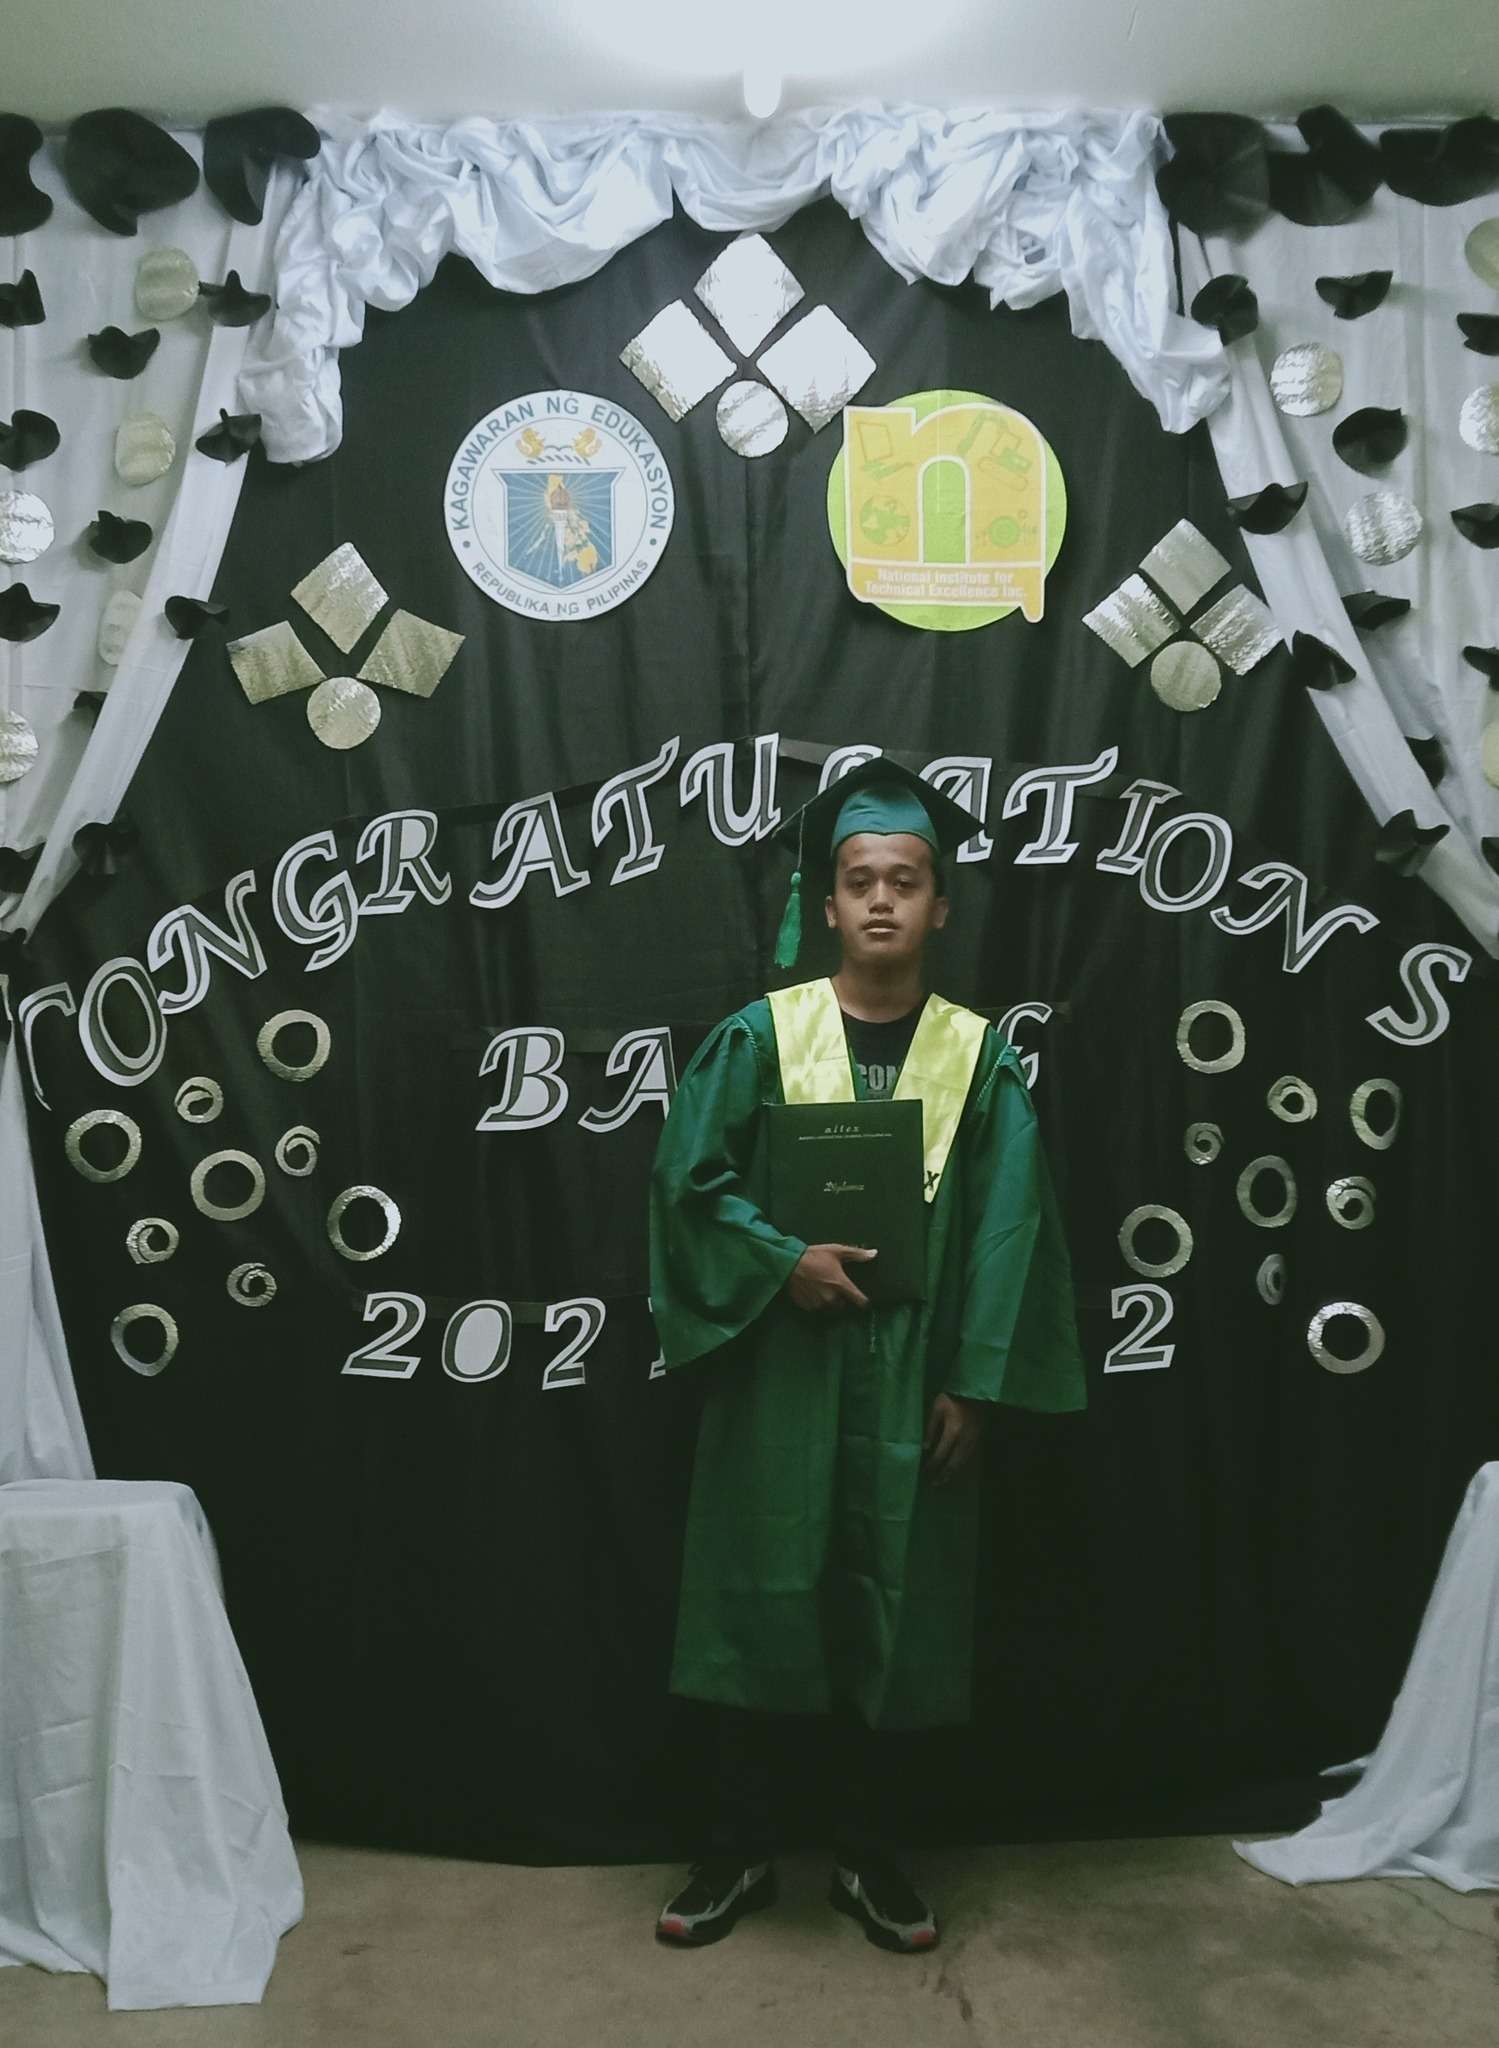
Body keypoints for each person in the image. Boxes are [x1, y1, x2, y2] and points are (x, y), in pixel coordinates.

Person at [649, 757, 1086, 1953]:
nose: (881, 897)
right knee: (757, 1598)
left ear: (940, 904)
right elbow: (687, 1184)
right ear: (827, 903)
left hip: (914, 1373)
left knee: (894, 1609)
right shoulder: (761, 1037)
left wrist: (975, 1382)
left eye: (904, 878)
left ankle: (870, 1854)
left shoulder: (979, 1056)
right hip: (780, 1367)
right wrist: (779, 1258)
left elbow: (1011, 1229)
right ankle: (735, 1849)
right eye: (858, 880)